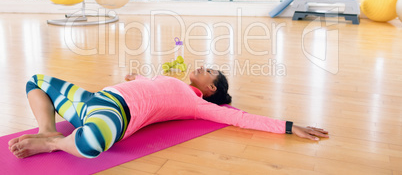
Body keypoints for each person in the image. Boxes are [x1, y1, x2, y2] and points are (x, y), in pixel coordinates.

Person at [9, 67, 328, 159]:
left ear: (211, 90)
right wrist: (137, 79)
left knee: (92, 143)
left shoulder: (197, 104)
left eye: (210, 72)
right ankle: (47, 131)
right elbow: (147, 85)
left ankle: (52, 144)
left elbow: (241, 118)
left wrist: (289, 126)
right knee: (35, 81)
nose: (202, 67)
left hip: (117, 114)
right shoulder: (173, 81)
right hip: (95, 99)